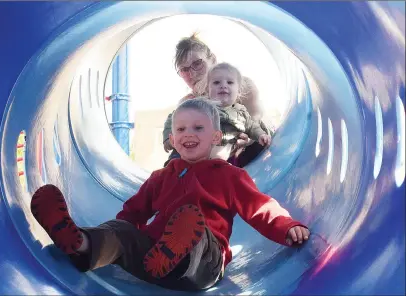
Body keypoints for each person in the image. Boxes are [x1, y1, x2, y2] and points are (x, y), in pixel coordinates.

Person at [30, 98, 310, 291]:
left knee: (195, 227)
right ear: (173, 140)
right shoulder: (161, 177)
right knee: (121, 231)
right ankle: (82, 245)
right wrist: (118, 234)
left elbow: (259, 207)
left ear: (215, 137)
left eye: (198, 128)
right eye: (181, 129)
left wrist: (287, 227)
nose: (189, 133)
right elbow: (133, 212)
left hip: (203, 264)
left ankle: (178, 249)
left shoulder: (230, 176)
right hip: (154, 261)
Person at [162, 32, 274, 167]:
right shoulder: (188, 104)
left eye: (197, 63)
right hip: (216, 154)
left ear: (213, 60)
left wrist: (247, 138)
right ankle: (173, 177)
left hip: (254, 148)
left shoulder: (242, 87)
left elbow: (254, 121)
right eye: (184, 70)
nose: (192, 73)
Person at [204, 62, 272, 161]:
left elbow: (251, 126)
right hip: (205, 155)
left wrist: (260, 135)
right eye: (216, 82)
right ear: (208, 89)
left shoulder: (240, 112)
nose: (223, 85)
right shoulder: (203, 108)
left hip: (229, 157)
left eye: (230, 82)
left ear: (238, 91)